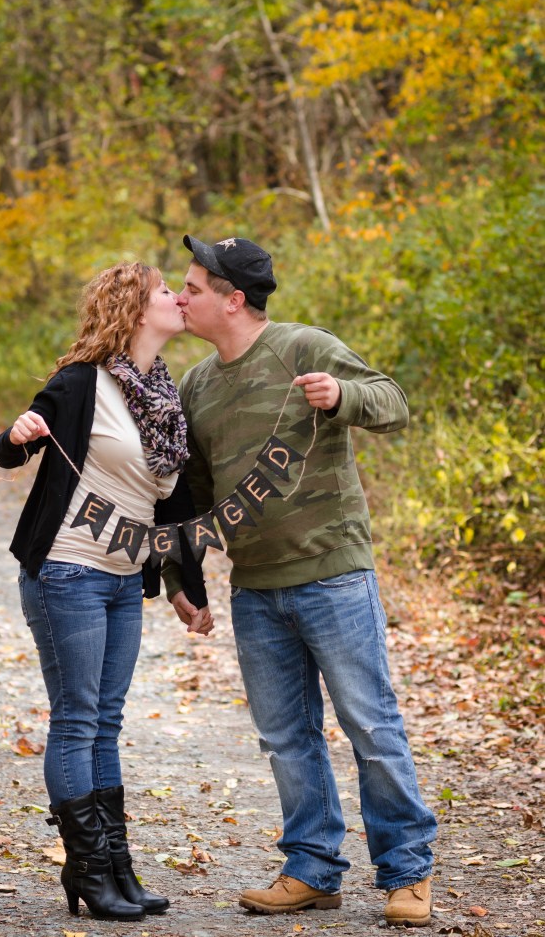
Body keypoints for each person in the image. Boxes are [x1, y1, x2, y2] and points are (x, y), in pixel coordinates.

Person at [165, 235, 437, 927]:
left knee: (370, 723)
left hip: (334, 575)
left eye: (193, 286)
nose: (182, 296)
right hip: (254, 586)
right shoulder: (195, 384)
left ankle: (408, 872)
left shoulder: (302, 345)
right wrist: (180, 575)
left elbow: (393, 400)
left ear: (233, 298)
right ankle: (312, 868)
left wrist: (342, 392)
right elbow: (193, 494)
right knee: (287, 737)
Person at [0, 262, 213, 922]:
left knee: (107, 723)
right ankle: (92, 872)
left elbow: (175, 506)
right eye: (162, 292)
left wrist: (187, 589)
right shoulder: (80, 383)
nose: (176, 298)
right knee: (78, 719)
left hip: (123, 580)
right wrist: (17, 433)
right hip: (68, 571)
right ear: (133, 309)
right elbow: (9, 452)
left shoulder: (164, 398)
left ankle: (112, 866)